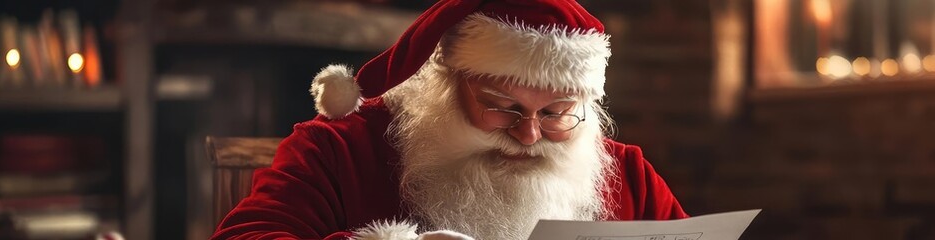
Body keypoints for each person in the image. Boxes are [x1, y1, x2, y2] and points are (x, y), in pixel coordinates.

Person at [211, 0, 688, 239]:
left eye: (557, 113)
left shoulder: (626, 175)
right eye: (501, 105)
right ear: (445, 83)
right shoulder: (338, 151)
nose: (528, 133)